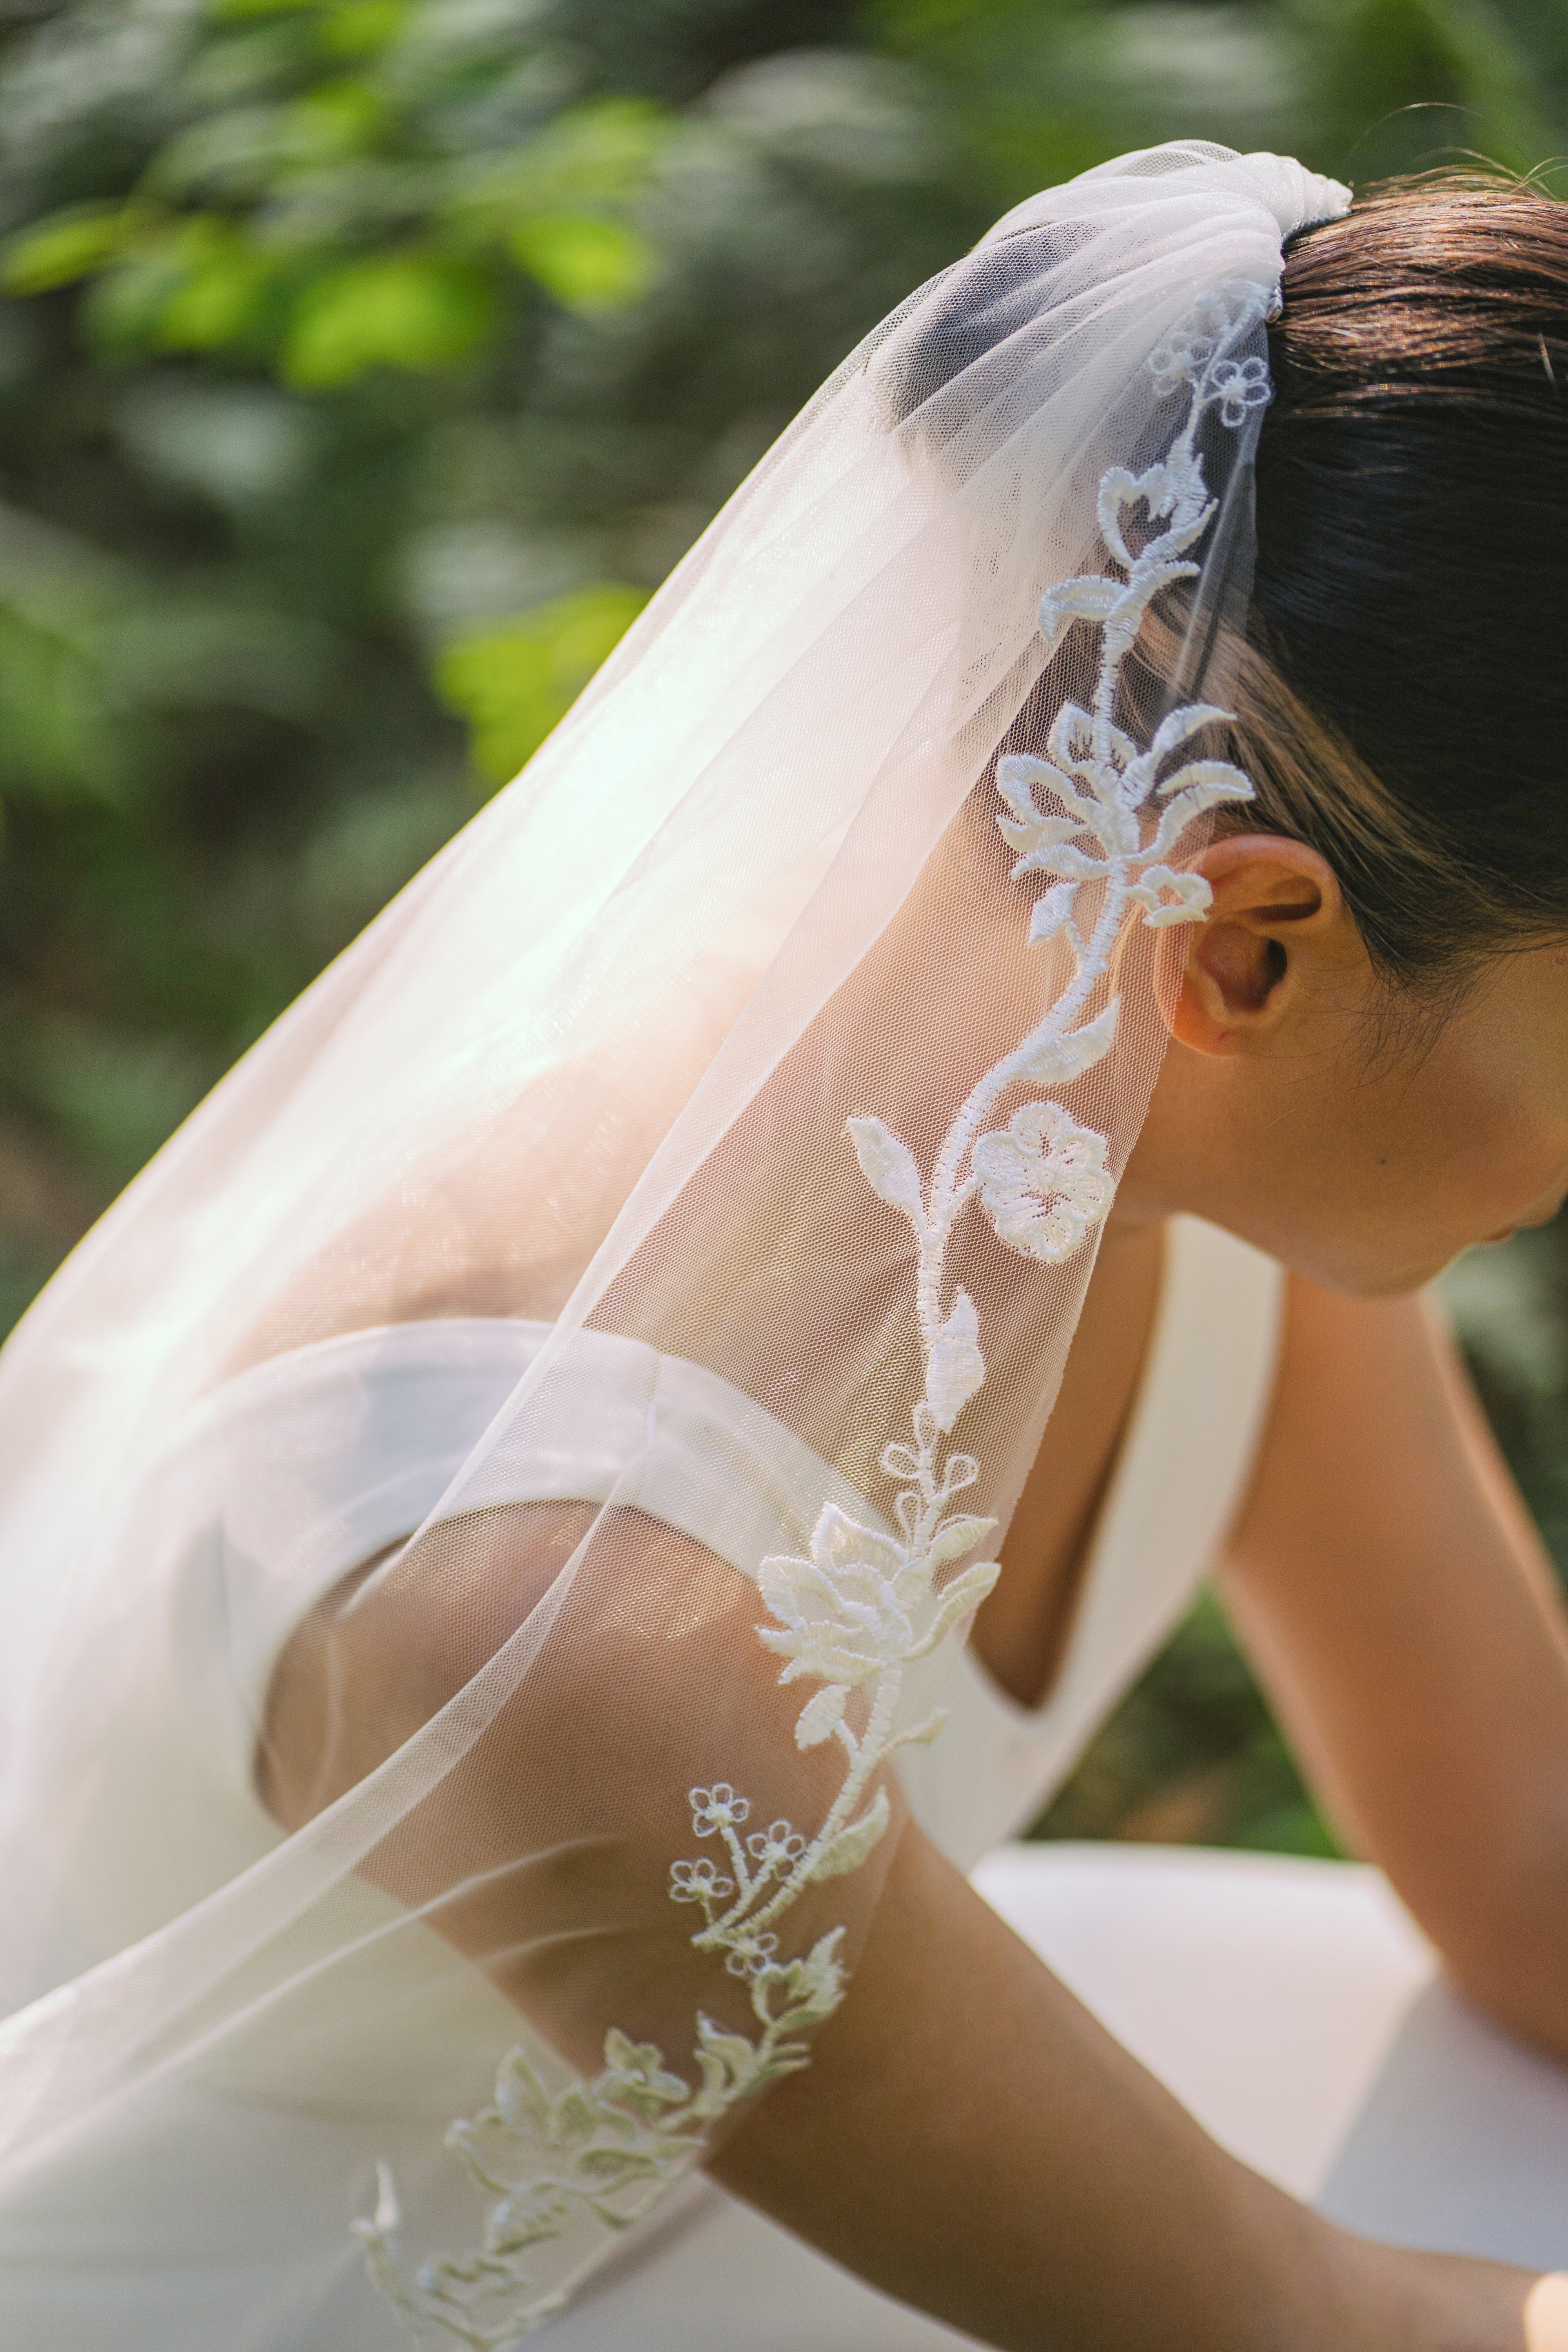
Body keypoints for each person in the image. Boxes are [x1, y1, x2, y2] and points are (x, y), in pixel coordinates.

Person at [0, 137, 1567, 2351]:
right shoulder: (536, 1596)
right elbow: (1295, 2319)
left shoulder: (1150, 1126)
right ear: (1240, 946)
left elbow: (1531, 1858)